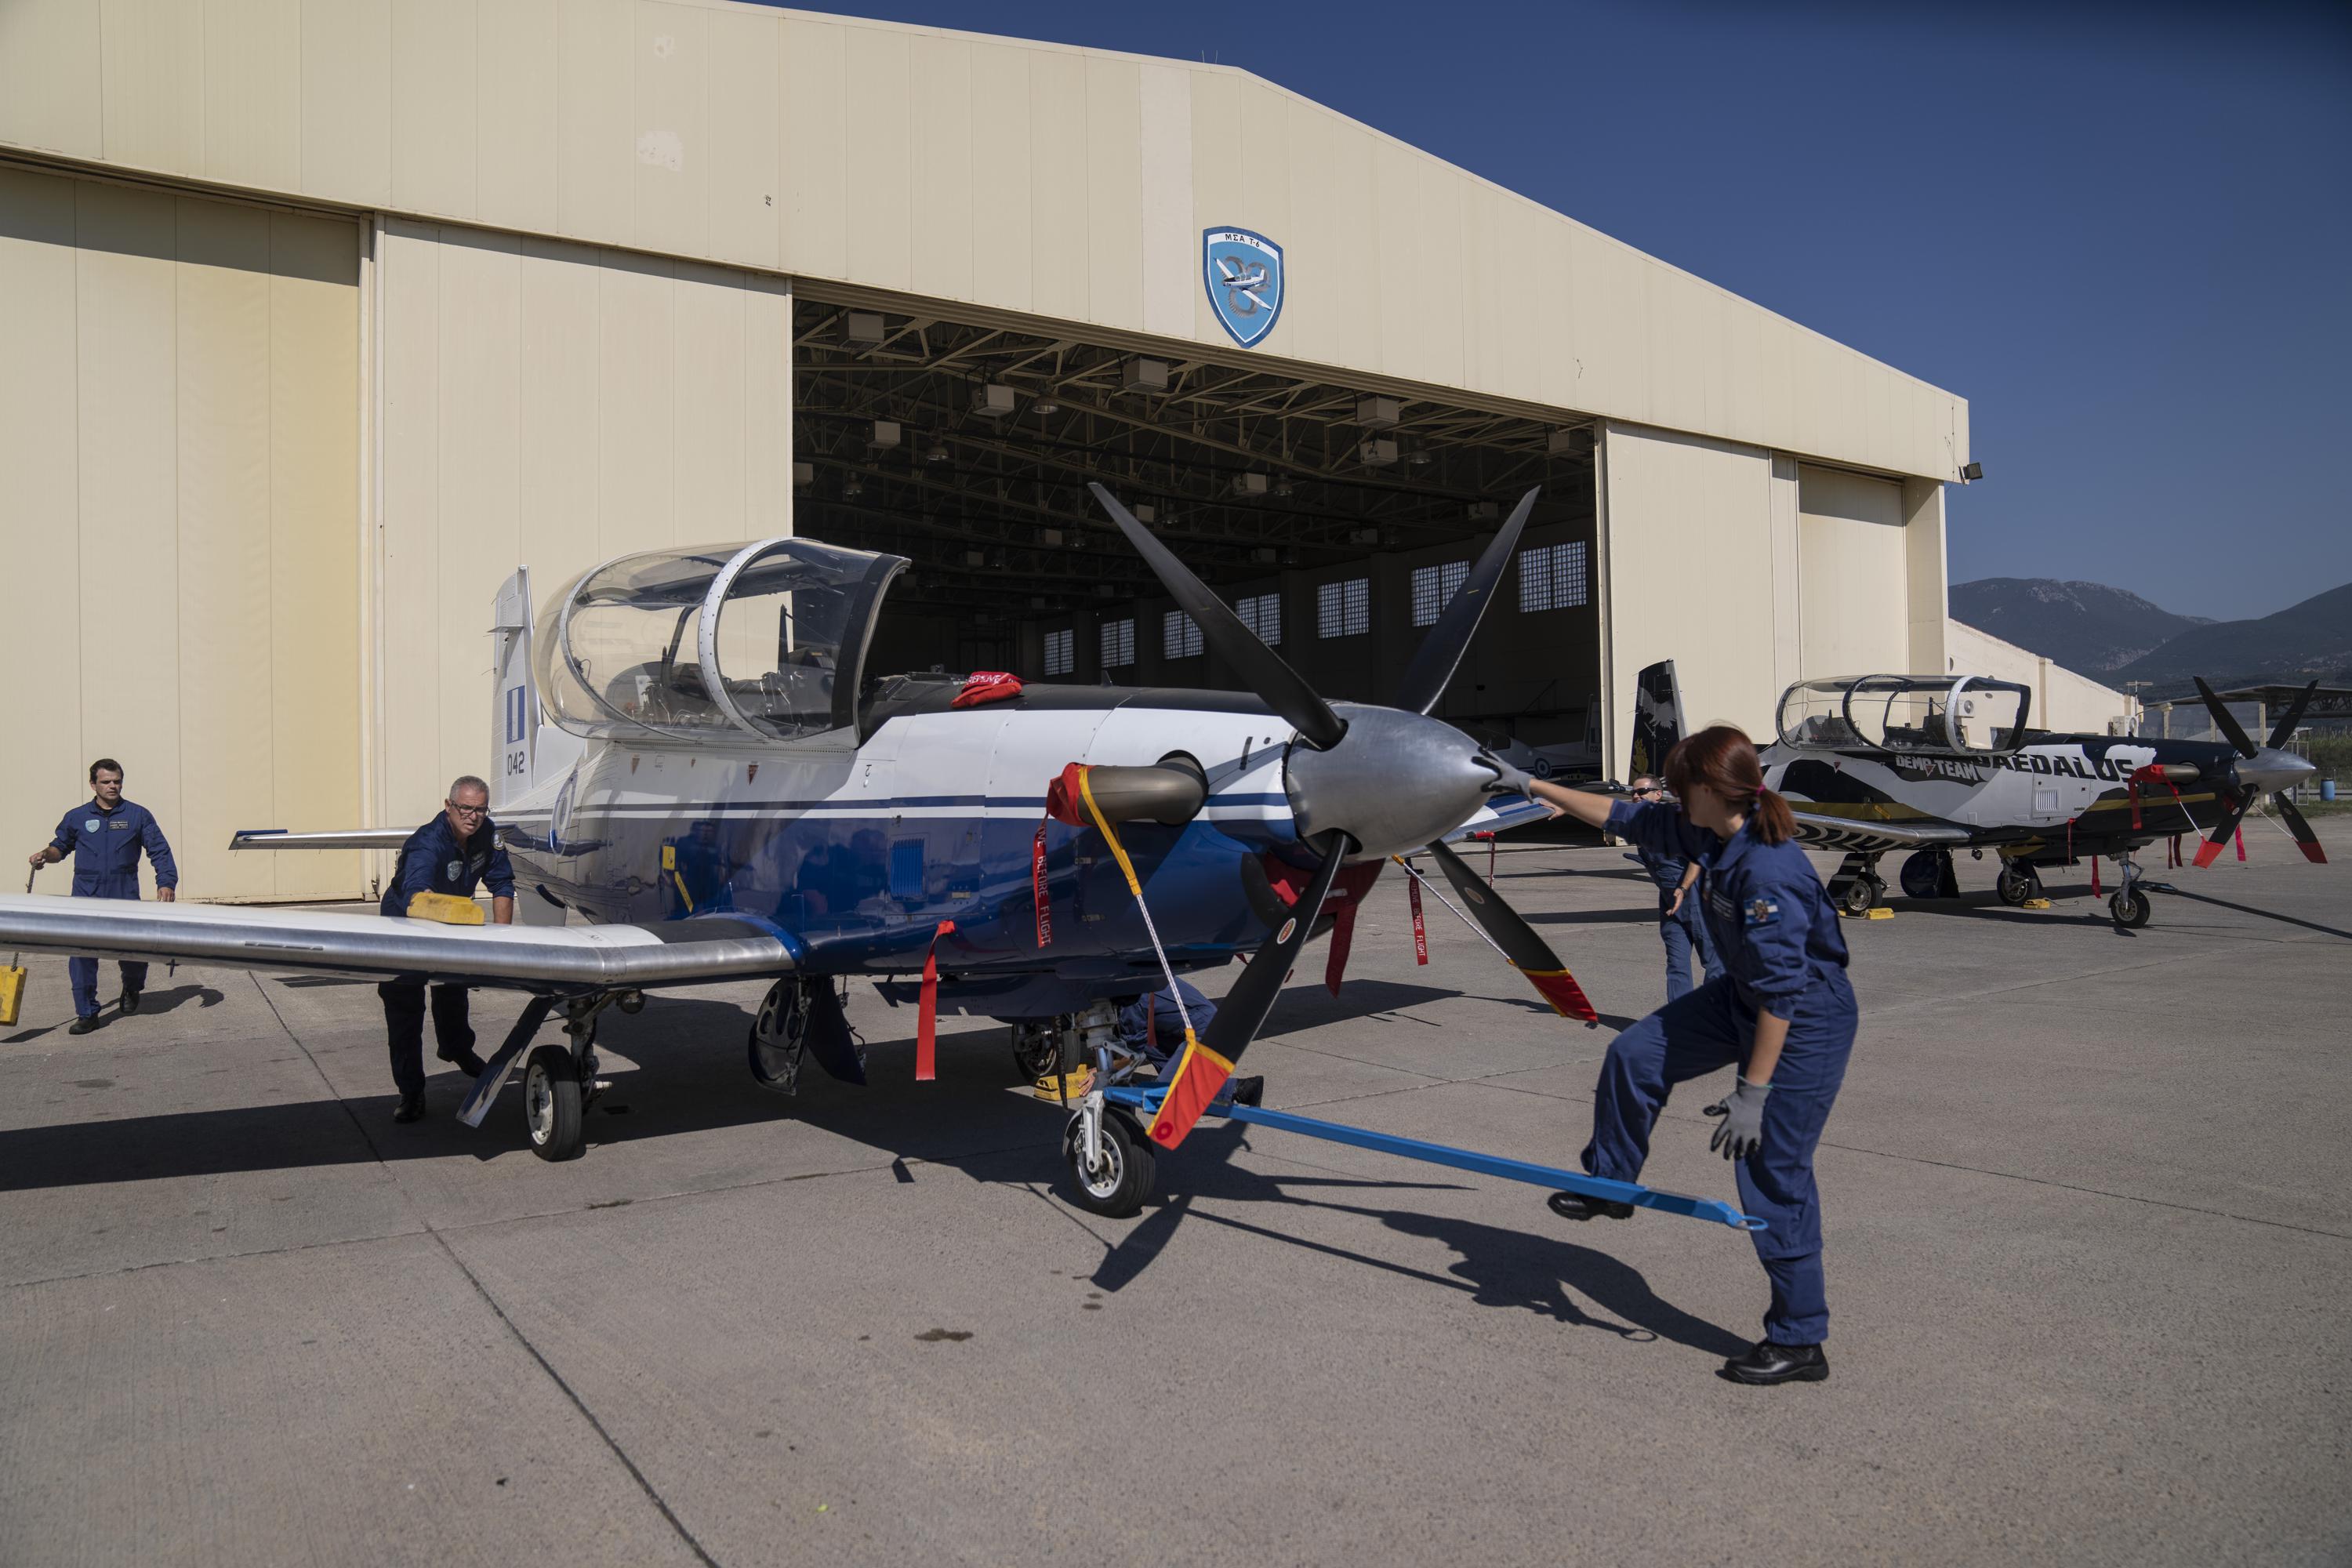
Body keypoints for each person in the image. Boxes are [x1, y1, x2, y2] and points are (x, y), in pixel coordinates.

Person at [1498, 727, 1857, 1386]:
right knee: (1635, 1054)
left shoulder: (1767, 869)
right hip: (1743, 997)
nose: (1665, 792)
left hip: (1803, 1019)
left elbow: (1784, 996)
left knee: (1773, 1172)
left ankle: (1801, 1339)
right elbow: (1623, 816)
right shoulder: (1709, 832)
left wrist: (1754, 1093)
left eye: (1675, 782)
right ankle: (1612, 1185)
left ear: (1708, 789)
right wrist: (1528, 786)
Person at [378, 775, 515, 1123]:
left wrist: (501, 942)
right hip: (407, 925)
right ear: (449, 807)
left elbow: (502, 883)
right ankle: (411, 1092)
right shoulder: (427, 843)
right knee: (405, 1010)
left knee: (454, 992)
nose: (473, 816)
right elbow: (416, 896)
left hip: (453, 920)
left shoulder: (487, 834)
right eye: (465, 808)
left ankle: (456, 1048)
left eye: (480, 809)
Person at [28, 758, 178, 1035]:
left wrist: (166, 882)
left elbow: (159, 850)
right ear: (93, 784)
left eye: (117, 781)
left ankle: (132, 987)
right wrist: (44, 856)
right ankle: (87, 1013)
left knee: (134, 952)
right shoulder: (77, 817)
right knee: (82, 957)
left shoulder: (138, 815)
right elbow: (59, 847)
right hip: (86, 897)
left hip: (124, 895)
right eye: (106, 782)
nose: (112, 786)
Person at [1627, 774, 1719, 1001]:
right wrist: (1564, 806)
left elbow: (1697, 857)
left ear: (1658, 795)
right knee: (1676, 964)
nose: (1636, 797)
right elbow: (1601, 813)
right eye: (1633, 793)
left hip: (1696, 898)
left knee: (1714, 964)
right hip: (1669, 902)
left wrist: (1684, 888)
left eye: (1642, 792)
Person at [1116, 978, 1262, 1108]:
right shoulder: (1139, 977)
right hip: (1203, 1028)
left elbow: (1132, 1051)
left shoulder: (1132, 998)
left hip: (1207, 1034)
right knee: (1149, 1043)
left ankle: (1241, 1089)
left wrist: (1104, 1073)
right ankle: (1179, 1079)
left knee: (1161, 1096)